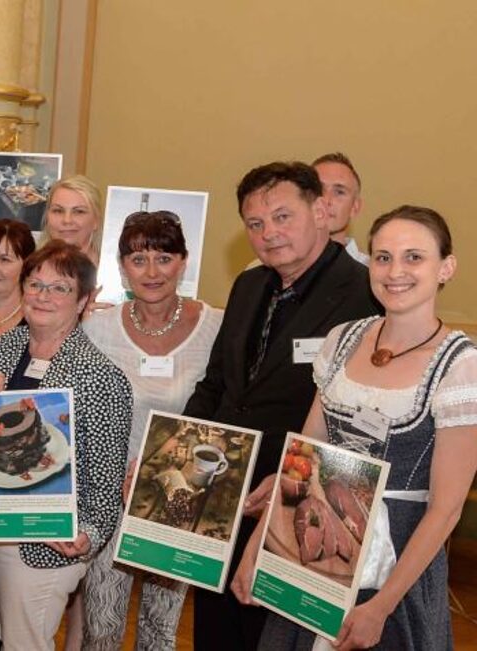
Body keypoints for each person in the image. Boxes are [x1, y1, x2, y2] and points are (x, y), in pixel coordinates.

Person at [235, 205, 476, 650]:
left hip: (396, 566)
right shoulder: (342, 339)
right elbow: (303, 459)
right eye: (383, 257)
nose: (395, 271)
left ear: (446, 267)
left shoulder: (461, 368)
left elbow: (446, 509)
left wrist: (380, 606)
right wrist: (258, 550)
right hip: (316, 556)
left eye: (413, 257)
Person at [184, 161, 380, 650]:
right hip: (223, 495)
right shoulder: (250, 286)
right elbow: (218, 386)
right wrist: (169, 451)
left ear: (321, 211)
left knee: (279, 638)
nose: (269, 233)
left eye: (282, 216)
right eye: (255, 223)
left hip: (302, 504)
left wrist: (292, 480)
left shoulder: (364, 293)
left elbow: (357, 420)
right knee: (217, 629)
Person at [0, 240, 132, 651]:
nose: (43, 296)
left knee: (26, 643)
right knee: (8, 634)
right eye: (35, 284)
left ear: (82, 301)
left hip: (49, 542)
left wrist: (90, 534)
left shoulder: (100, 377)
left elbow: (105, 476)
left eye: (59, 288)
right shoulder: (6, 351)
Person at [79, 211, 222, 650]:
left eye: (164, 257)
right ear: (122, 266)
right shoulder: (96, 327)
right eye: (138, 259)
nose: (152, 271)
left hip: (178, 496)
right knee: (101, 625)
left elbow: (223, 407)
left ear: (183, 261)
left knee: (161, 629)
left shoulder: (217, 326)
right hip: (109, 494)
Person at [314, 152, 368, 264]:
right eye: (318, 189)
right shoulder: (275, 270)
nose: (326, 200)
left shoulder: (372, 274)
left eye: (339, 192)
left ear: (355, 207)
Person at [42, 175, 102, 262]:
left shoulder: (112, 271)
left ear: (96, 220)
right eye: (58, 211)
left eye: (78, 212)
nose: (67, 220)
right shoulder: (29, 269)